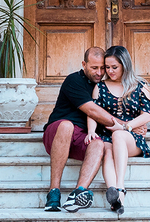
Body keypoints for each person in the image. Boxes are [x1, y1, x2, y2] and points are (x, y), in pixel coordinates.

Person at [42, 46, 135, 212]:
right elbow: (93, 111)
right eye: (94, 68)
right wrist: (126, 125)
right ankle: (53, 192)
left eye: (102, 68)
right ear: (84, 64)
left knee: (99, 144)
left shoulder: (104, 87)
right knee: (67, 126)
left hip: (82, 137)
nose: (99, 73)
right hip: (58, 133)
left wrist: (135, 125)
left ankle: (78, 193)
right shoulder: (74, 80)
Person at [86, 45, 150, 217]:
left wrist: (126, 126)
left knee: (118, 135)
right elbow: (93, 112)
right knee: (107, 151)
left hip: (132, 138)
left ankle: (120, 188)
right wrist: (91, 131)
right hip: (106, 136)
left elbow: (147, 115)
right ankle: (113, 195)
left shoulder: (140, 85)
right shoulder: (100, 87)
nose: (110, 71)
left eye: (114, 67)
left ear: (125, 65)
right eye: (107, 67)